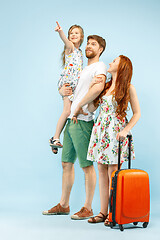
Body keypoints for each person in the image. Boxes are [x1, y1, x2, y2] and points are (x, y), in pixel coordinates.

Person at [42, 35, 107, 220]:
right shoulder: (82, 68)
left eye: (93, 44)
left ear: (100, 49)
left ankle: (88, 208)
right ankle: (64, 205)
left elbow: (98, 88)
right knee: (66, 164)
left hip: (83, 120)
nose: (88, 46)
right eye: (88, 43)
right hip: (71, 120)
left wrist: (79, 107)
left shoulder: (99, 66)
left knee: (86, 166)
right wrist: (61, 91)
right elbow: (68, 87)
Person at [83, 55, 141, 224]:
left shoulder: (129, 88)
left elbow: (137, 113)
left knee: (113, 173)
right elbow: (92, 107)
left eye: (114, 61)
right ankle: (102, 212)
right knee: (101, 170)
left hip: (116, 132)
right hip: (101, 130)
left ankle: (113, 213)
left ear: (122, 66)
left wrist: (126, 130)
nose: (110, 62)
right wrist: (93, 87)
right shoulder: (105, 86)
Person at [49, 21, 84, 154]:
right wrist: (61, 32)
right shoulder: (71, 48)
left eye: (76, 33)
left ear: (81, 37)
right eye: (71, 33)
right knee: (66, 111)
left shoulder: (80, 52)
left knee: (71, 112)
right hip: (67, 85)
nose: (73, 35)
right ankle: (55, 138)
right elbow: (66, 41)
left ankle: (56, 139)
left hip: (74, 88)